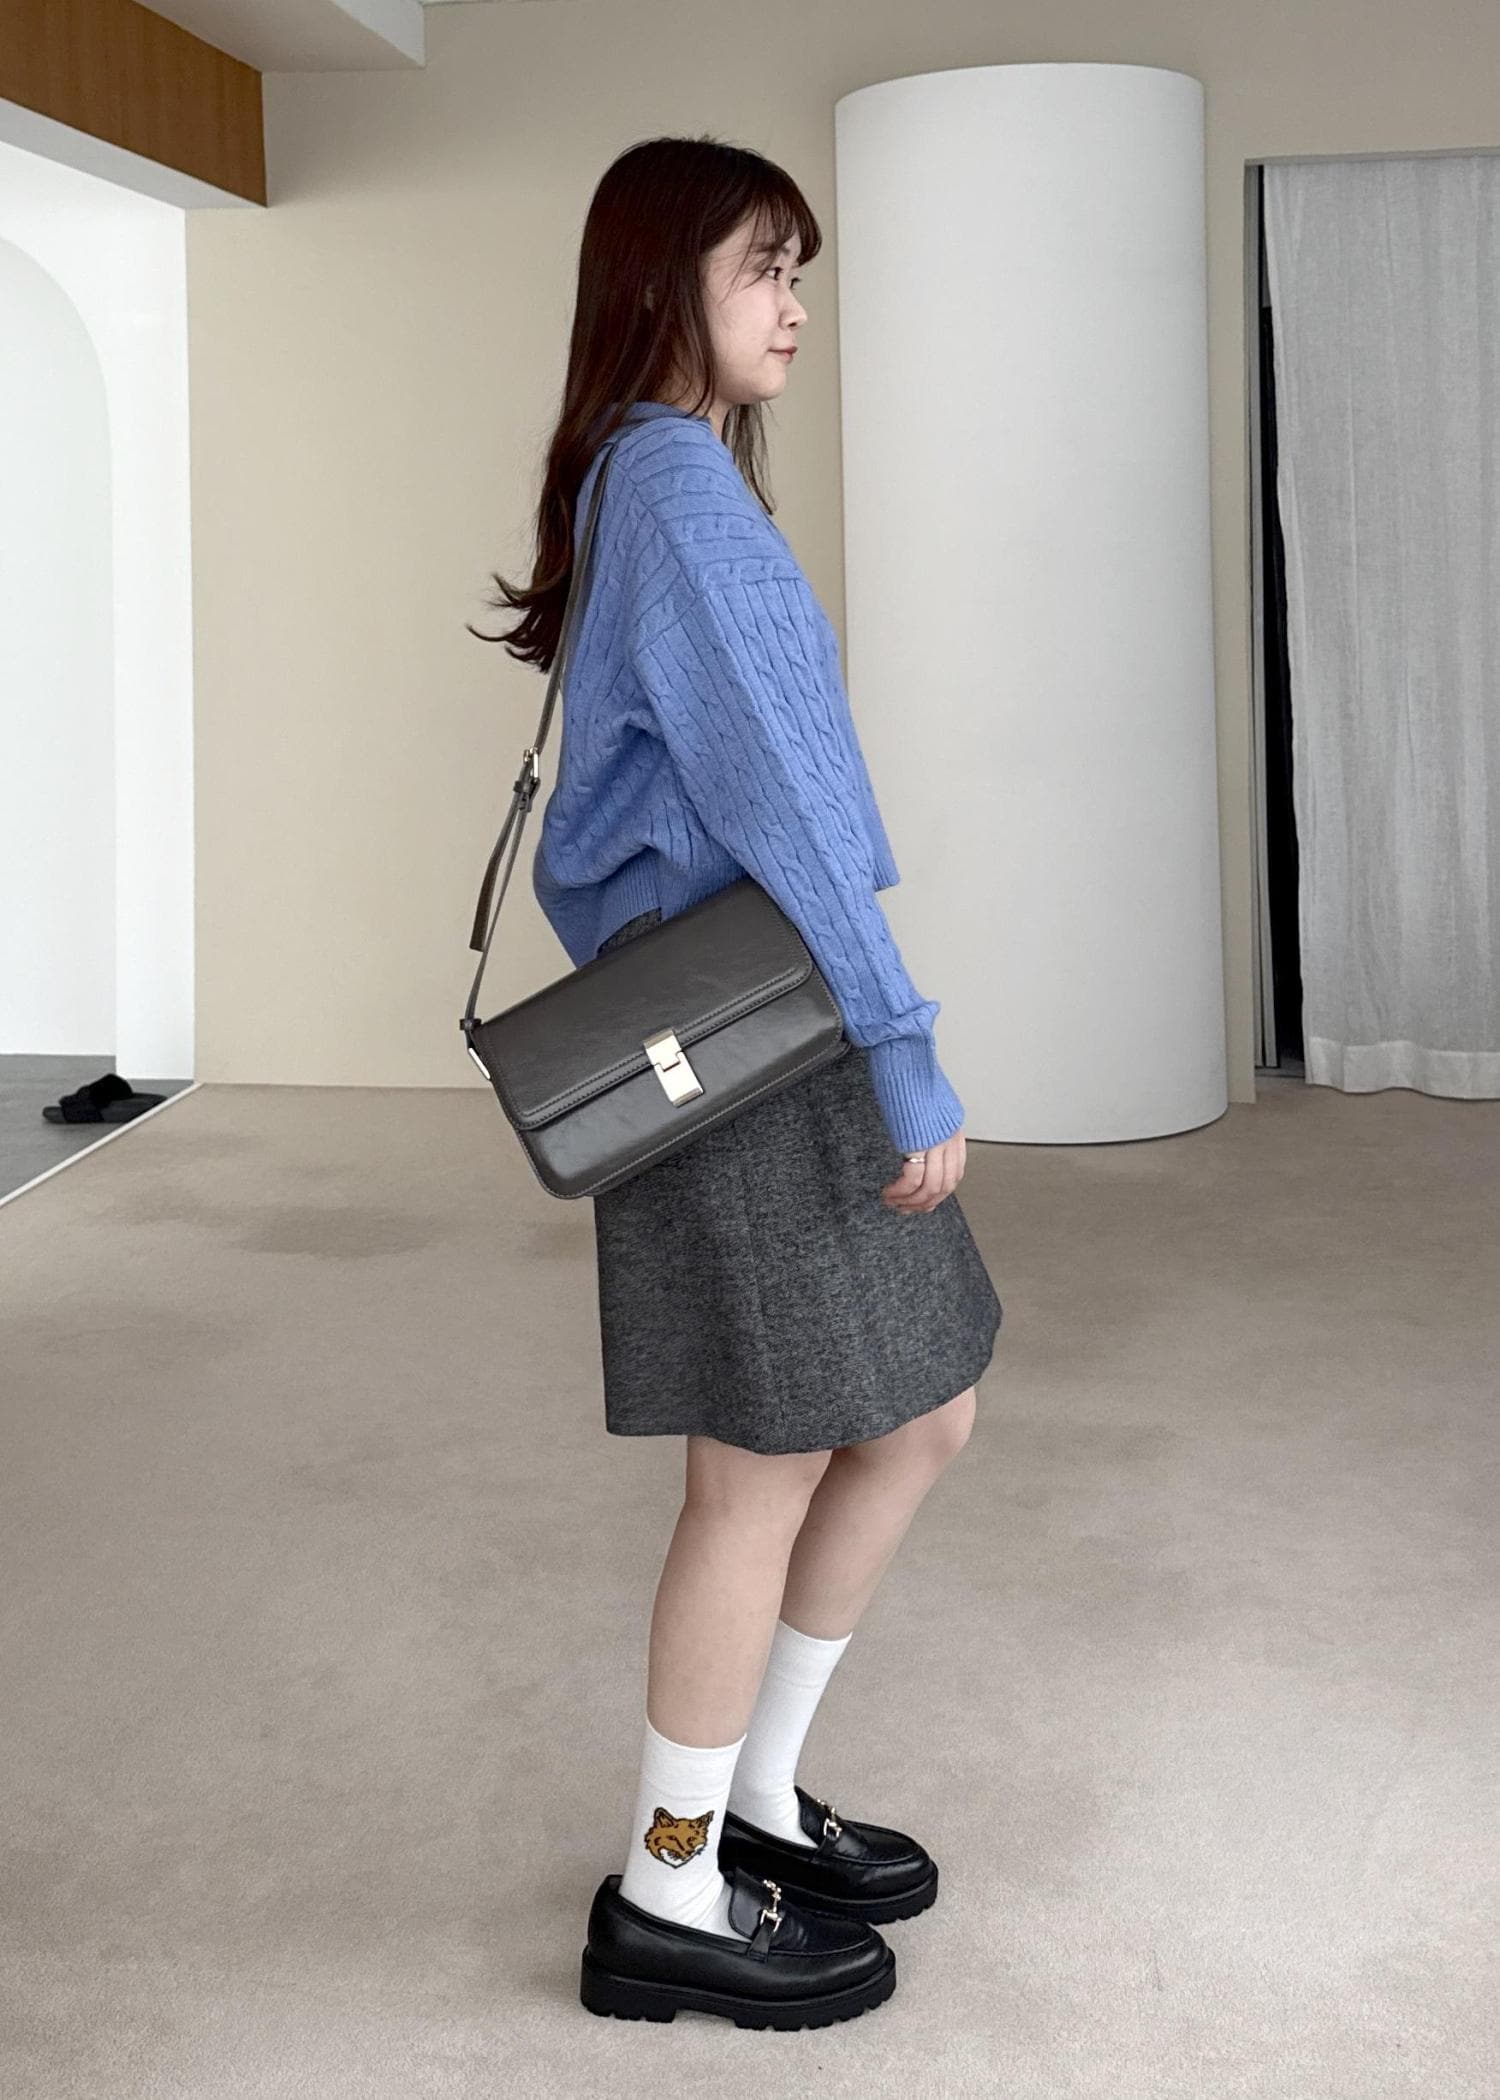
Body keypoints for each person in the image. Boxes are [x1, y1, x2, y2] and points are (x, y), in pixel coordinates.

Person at [476, 135, 1003, 2031]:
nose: (792, 306)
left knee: (918, 1410)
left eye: (800, 270)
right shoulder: (678, 490)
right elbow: (786, 808)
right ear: (663, 285)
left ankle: (751, 1797)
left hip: (768, 1027)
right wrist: (904, 1048)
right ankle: (670, 1889)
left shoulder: (652, 478)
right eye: (761, 268)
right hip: (766, 1051)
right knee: (759, 1472)